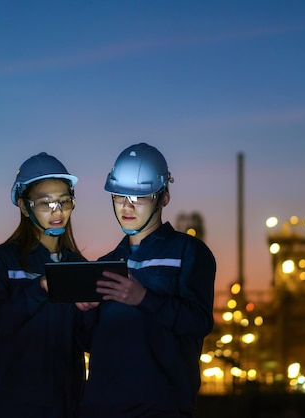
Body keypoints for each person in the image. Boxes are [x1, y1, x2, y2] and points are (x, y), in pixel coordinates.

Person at [78, 143, 216, 417]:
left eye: (139, 197)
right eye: (119, 196)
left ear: (163, 197)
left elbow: (198, 322)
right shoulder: (105, 264)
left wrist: (143, 299)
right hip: (103, 407)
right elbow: (89, 343)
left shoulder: (188, 252)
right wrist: (87, 313)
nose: (127, 207)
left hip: (161, 406)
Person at [0, 152, 88, 418]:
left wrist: (94, 312)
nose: (57, 211)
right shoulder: (3, 259)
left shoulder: (79, 266)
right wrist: (40, 289)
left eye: (63, 201)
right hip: (10, 404)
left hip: (65, 404)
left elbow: (88, 342)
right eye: (45, 203)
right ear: (24, 207)